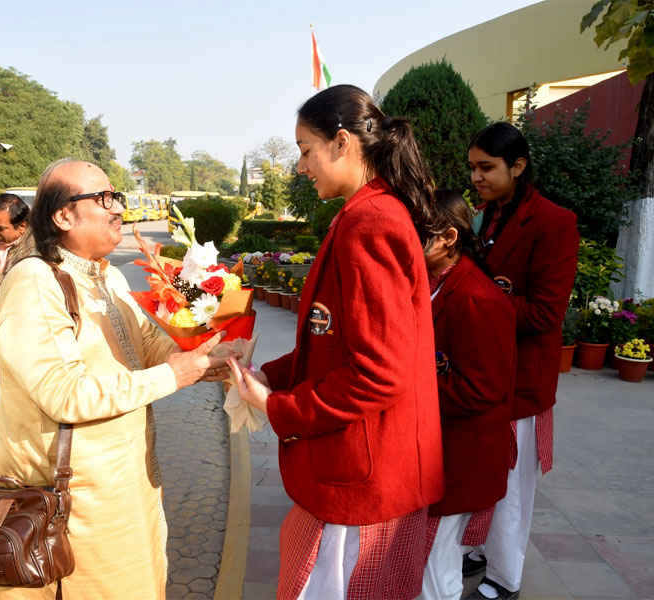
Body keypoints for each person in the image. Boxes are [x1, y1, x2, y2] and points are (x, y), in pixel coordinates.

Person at [0, 159, 235, 600]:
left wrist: (209, 360)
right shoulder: (35, 280)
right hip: (71, 502)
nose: (118, 208)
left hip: (125, 490)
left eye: (116, 196)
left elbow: (148, 345)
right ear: (63, 216)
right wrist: (172, 376)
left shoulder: (106, 274)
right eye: (103, 199)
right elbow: (65, 394)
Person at [228, 84, 444, 600]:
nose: (301, 166)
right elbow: (333, 341)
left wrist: (281, 407)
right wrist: (268, 374)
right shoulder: (363, 214)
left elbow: (380, 374)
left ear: (342, 141)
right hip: (363, 461)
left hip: (365, 471)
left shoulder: (371, 224)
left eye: (306, 150)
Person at [462, 123, 579, 600]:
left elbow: (546, 313)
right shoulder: (483, 217)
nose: (476, 177)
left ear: (518, 166)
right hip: (479, 372)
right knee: (482, 469)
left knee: (511, 482)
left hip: (521, 376)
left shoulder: (554, 223)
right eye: (472, 168)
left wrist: (477, 306)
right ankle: (481, 549)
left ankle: (505, 577)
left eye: (486, 168)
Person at [419, 190, 516, 600]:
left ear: (448, 238)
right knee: (431, 560)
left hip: (463, 456)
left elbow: (482, 389)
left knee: (436, 567)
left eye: (417, 234)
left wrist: (411, 391)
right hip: (442, 451)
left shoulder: (477, 298)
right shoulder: (437, 281)